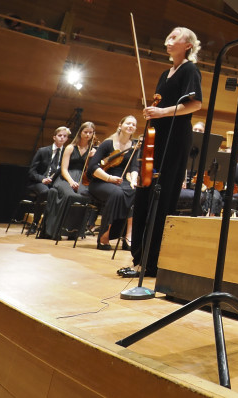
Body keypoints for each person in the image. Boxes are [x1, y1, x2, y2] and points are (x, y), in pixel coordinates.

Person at [119, 27, 203, 279]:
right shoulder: (165, 73)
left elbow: (195, 103)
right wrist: (152, 113)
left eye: (176, 36)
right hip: (155, 140)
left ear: (188, 45)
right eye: (168, 35)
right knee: (145, 196)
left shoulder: (190, 70)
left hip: (174, 141)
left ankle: (153, 262)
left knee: (163, 198)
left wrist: (163, 112)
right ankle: (139, 259)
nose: (169, 38)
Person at [87, 115, 139, 250]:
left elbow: (134, 167)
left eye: (133, 124)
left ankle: (128, 237)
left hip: (120, 181)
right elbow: (93, 167)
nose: (131, 126)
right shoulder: (107, 143)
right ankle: (105, 235)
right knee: (117, 193)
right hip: (101, 181)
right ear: (120, 125)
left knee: (135, 192)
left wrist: (133, 181)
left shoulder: (134, 147)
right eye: (128, 123)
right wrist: (109, 178)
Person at [40, 121, 96, 240]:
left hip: (81, 178)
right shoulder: (70, 147)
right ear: (80, 132)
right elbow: (64, 169)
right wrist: (71, 182)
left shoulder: (92, 150)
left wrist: (92, 158)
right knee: (70, 195)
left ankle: (73, 232)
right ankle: (58, 230)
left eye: (90, 133)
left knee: (84, 197)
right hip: (65, 178)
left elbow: (90, 170)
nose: (88, 135)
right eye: (85, 132)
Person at [25, 126, 70, 233]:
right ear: (54, 137)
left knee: (65, 193)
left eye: (65, 136)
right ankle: (35, 224)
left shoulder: (66, 154)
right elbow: (32, 172)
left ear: (67, 139)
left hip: (56, 183)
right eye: (60, 135)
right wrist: (42, 179)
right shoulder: (43, 151)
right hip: (38, 182)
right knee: (46, 191)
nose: (62, 138)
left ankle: (53, 226)